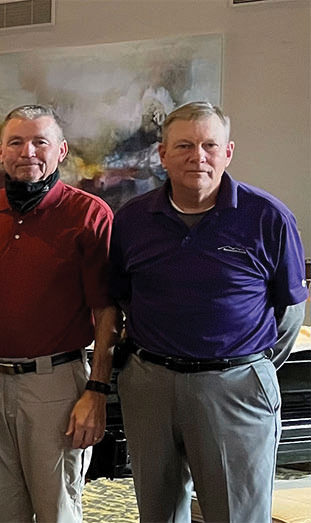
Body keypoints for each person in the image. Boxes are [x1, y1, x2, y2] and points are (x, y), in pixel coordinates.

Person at [110, 101, 306, 522]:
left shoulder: (268, 217)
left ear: (228, 152)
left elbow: (289, 311)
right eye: (184, 146)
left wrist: (249, 365)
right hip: (150, 385)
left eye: (209, 146)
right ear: (162, 154)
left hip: (234, 387)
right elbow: (125, 298)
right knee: (156, 511)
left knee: (236, 513)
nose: (198, 157)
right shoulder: (131, 220)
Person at [0, 104, 117, 522]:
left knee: (57, 508)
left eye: (40, 141)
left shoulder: (89, 215)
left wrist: (97, 390)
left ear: (61, 151)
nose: (28, 152)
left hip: (56, 385)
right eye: (16, 142)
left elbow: (108, 311)